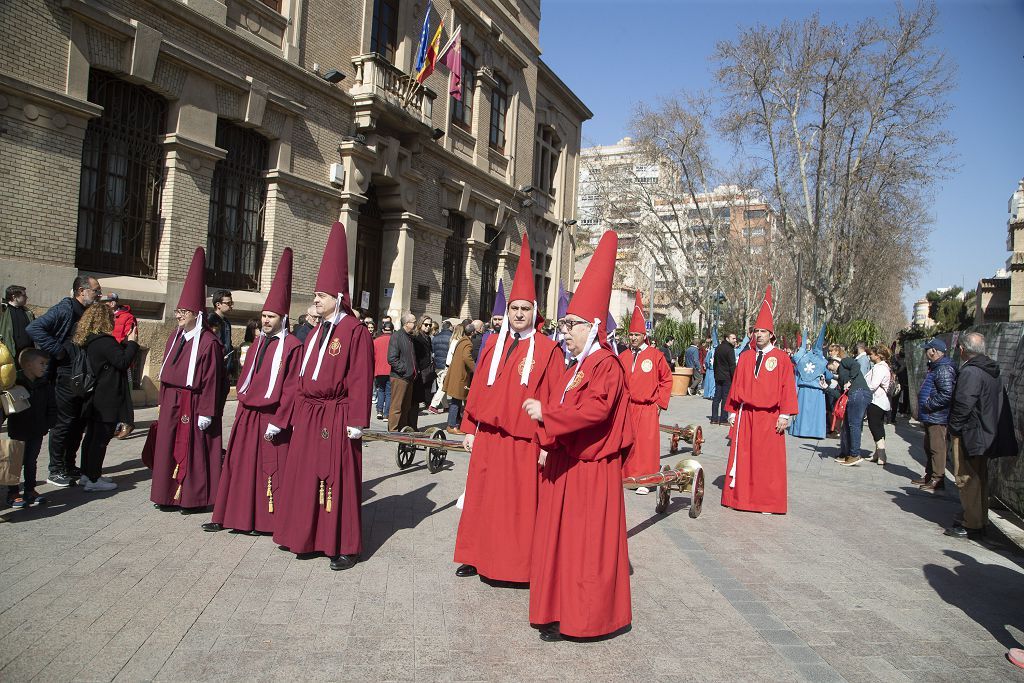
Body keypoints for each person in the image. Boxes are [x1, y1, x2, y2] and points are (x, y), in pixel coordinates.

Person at [522, 230, 632, 642]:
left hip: (592, 470)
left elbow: (597, 409)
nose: (564, 331)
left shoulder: (606, 365)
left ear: (594, 326)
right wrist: (546, 441)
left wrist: (548, 415)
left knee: (584, 547)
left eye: (571, 325)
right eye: (564, 324)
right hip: (566, 464)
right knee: (561, 542)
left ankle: (585, 618)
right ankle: (556, 610)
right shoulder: (573, 365)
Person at [454, 235, 565, 582]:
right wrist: (470, 429)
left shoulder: (548, 351)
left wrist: (549, 443)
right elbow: (476, 394)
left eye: (525, 309)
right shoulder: (491, 346)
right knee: (481, 501)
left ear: (535, 312)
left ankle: (517, 567)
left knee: (516, 508)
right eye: (514, 309)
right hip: (488, 439)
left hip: (523, 443)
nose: (518, 314)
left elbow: (554, 399)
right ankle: (475, 556)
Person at [273, 222, 373, 571]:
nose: (316, 300)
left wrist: (358, 421)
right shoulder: (316, 332)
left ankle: (343, 544)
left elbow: (360, 377)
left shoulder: (353, 331)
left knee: (336, 477)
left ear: (338, 299)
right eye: (316, 295)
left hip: (337, 415)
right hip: (311, 414)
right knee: (306, 474)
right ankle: (308, 536)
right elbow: (301, 376)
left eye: (322, 296)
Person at [204, 250, 302, 535]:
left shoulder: (293, 346)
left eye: (271, 316)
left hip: (272, 417)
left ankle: (265, 520)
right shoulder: (258, 342)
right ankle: (230, 515)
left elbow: (292, 388)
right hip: (248, 414)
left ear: (282, 318)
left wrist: (280, 420)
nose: (266, 321)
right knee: (238, 466)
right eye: (264, 316)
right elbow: (247, 376)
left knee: (268, 469)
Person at [149, 248, 225, 511]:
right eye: (178, 310)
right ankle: (166, 494)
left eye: (184, 311)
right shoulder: (175, 337)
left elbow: (213, 380)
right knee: (168, 447)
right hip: (172, 402)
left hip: (193, 404)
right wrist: (161, 400)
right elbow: (167, 373)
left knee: (192, 449)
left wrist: (206, 411)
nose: (179, 315)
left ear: (196, 313)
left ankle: (192, 497)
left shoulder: (208, 343)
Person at [723, 286, 798, 514]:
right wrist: (732, 411)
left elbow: (787, 387)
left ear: (771, 334)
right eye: (756, 331)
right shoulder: (745, 357)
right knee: (744, 457)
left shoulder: (782, 358)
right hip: (746, 415)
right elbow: (736, 385)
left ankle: (767, 502)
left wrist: (785, 415)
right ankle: (741, 499)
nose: (759, 335)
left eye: (763, 331)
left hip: (769, 416)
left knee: (767, 461)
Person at [27, 274, 102, 487]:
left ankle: (69, 465)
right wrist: (57, 351)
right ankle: (56, 469)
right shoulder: (65, 309)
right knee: (64, 423)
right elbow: (34, 328)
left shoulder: (88, 311)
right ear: (81, 291)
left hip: (82, 376)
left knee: (78, 423)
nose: (99, 295)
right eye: (96, 291)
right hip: (64, 376)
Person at [944, 332, 1018, 540]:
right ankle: (978, 519)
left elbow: (963, 404)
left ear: (962, 349)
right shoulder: (991, 370)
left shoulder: (971, 372)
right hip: (984, 432)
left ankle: (972, 524)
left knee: (965, 477)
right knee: (980, 477)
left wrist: (954, 428)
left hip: (970, 433)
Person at [75, 302, 138, 491]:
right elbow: (122, 361)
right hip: (106, 396)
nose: (114, 319)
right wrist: (133, 342)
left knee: (92, 436)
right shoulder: (104, 341)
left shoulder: (91, 340)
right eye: (111, 317)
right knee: (100, 438)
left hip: (95, 396)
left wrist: (125, 344)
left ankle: (87, 474)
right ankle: (94, 479)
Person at [620, 291, 672, 492]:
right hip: (627, 406)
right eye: (631, 335)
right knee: (627, 442)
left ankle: (646, 479)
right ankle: (626, 476)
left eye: (637, 335)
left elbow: (666, 379)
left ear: (644, 335)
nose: (633, 338)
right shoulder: (623, 356)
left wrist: (660, 402)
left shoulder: (655, 355)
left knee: (646, 444)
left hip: (648, 407)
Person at [5, 348, 53, 508]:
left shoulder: (44, 383)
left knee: (31, 461)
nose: (44, 367)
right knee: (14, 462)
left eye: (46, 364)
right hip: (18, 429)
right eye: (41, 363)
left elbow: (51, 405)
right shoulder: (14, 382)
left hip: (37, 429)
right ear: (28, 365)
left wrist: (48, 423)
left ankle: (30, 490)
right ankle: (12, 493)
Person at [912, 338, 957, 491]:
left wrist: (929, 404)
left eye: (927, 350)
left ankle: (937, 479)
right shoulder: (936, 367)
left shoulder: (943, 368)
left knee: (937, 448)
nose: (926, 353)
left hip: (937, 415)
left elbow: (946, 394)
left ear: (934, 351)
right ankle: (929, 475)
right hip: (930, 415)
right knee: (929, 446)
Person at [789, 325, 828, 439]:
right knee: (815, 413)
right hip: (817, 391)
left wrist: (804, 336)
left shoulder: (803, 358)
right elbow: (827, 375)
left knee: (803, 412)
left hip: (803, 391)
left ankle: (800, 430)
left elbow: (795, 360)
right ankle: (815, 432)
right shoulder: (822, 361)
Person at [835, 348, 871, 466]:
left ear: (834, 362)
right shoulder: (840, 376)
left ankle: (855, 455)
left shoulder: (845, 361)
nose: (830, 369)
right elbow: (840, 394)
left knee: (854, 424)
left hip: (859, 393)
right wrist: (826, 387)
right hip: (855, 395)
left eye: (829, 366)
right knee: (847, 425)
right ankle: (847, 453)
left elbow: (856, 365)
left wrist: (850, 380)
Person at [442, 322, 475, 434]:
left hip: (455, 375)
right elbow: (466, 357)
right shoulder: (468, 343)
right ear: (473, 332)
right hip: (460, 376)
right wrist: (475, 369)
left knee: (456, 401)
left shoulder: (461, 340)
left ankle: (454, 423)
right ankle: (451, 425)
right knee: (456, 401)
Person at [387, 313, 418, 431]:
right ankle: (393, 430)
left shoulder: (409, 336)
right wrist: (405, 370)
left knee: (406, 407)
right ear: (407, 324)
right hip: (400, 377)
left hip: (409, 377)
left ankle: (402, 429)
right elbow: (391, 358)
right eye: (413, 321)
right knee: (397, 406)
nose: (415, 324)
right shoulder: (397, 336)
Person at [863, 345, 892, 464]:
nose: (869, 356)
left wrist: (862, 387)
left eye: (871, 354)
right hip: (880, 401)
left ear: (878, 355)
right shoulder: (883, 367)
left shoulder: (880, 368)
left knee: (875, 426)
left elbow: (873, 385)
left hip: (877, 400)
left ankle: (881, 454)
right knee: (878, 426)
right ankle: (878, 454)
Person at [208, 289, 235, 413]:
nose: (231, 306)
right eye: (228, 303)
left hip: (224, 371)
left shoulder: (227, 322)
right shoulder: (211, 320)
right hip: (215, 370)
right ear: (218, 304)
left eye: (231, 303)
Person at [0, 285, 36, 367]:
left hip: (27, 356)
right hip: (9, 355)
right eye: (24, 295)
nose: (26, 297)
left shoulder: (28, 312)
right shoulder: (3, 310)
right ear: (14, 297)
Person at [711, 332, 737, 425]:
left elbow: (715, 363)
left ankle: (714, 418)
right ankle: (723, 418)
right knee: (725, 398)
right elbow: (732, 365)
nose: (735, 340)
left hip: (718, 376)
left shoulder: (718, 348)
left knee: (716, 397)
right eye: (733, 338)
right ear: (727, 338)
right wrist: (735, 377)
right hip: (727, 377)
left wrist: (715, 374)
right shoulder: (729, 349)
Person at [412, 314, 436, 412]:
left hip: (427, 368)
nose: (428, 327)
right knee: (417, 397)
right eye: (426, 324)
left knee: (426, 392)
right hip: (419, 369)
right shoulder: (416, 337)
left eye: (430, 325)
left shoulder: (428, 338)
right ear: (420, 324)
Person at [428, 320, 453, 414]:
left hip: (437, 364)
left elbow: (433, 351)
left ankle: (446, 406)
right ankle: (433, 405)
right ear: (450, 327)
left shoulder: (436, 337)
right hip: (446, 365)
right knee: (443, 386)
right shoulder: (451, 337)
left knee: (441, 385)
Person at [372, 321, 393, 421]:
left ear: (383, 330)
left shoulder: (376, 341)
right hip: (390, 370)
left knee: (380, 390)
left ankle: (379, 411)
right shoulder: (394, 340)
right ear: (392, 330)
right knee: (389, 393)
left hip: (379, 369)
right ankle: (386, 414)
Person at [479, 281, 506, 356]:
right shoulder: (487, 336)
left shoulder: (510, 336)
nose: (497, 322)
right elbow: (481, 356)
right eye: (495, 319)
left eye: (500, 319)